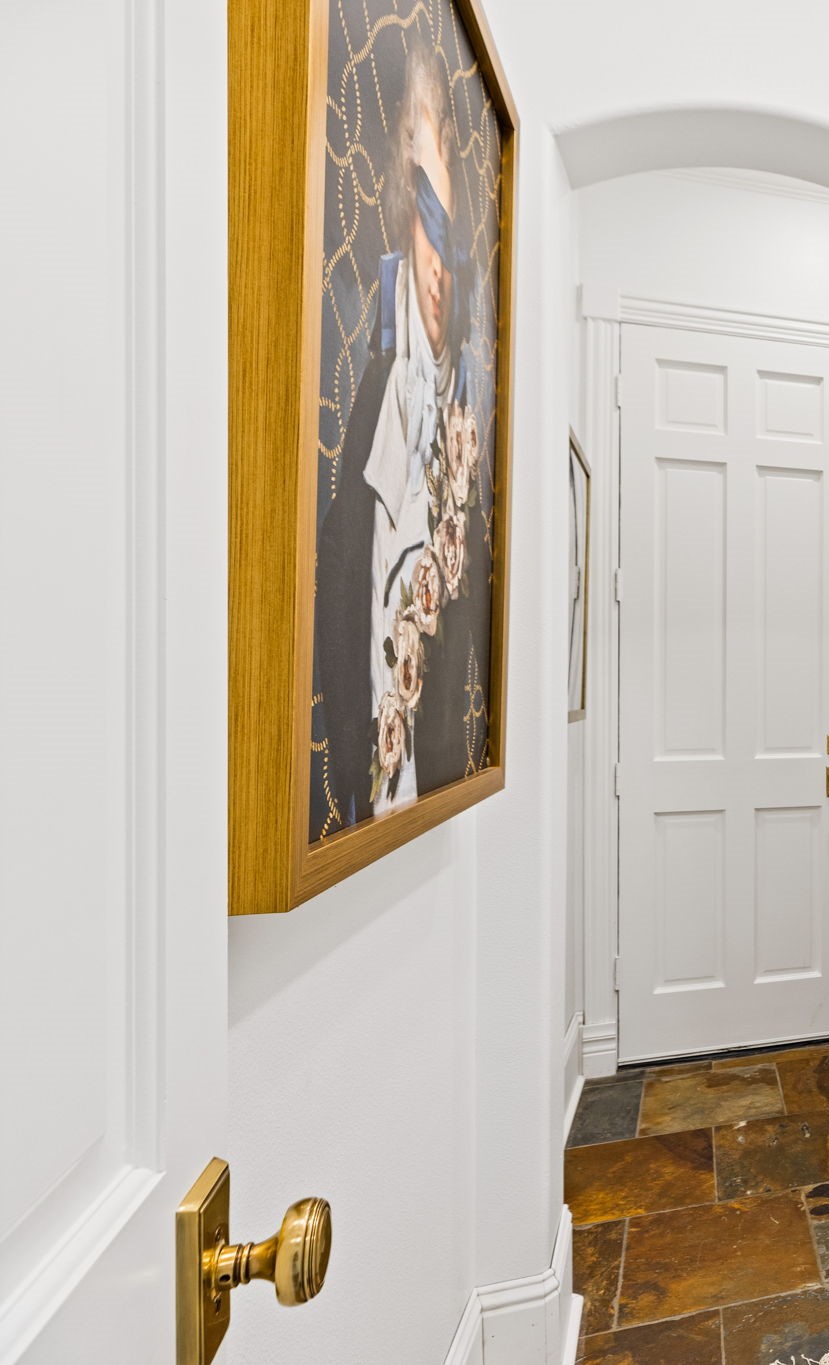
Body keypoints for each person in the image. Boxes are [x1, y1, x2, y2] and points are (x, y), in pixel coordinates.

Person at [313, 44, 487, 836]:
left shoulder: (458, 409)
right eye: (427, 226)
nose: (438, 265)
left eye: (452, 244)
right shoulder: (373, 394)